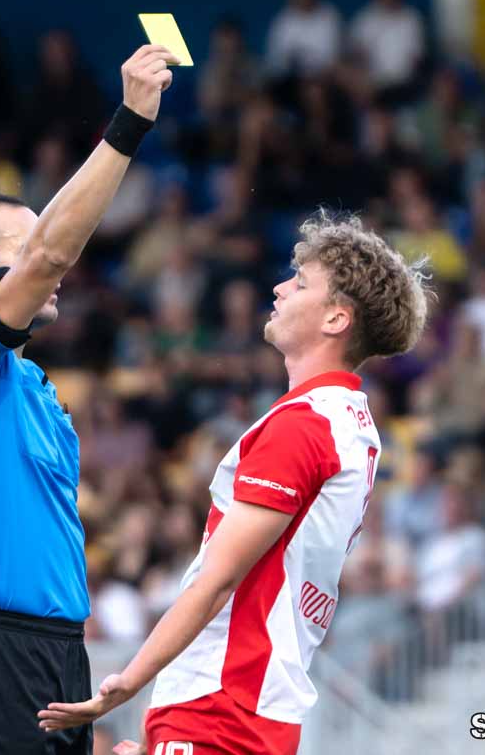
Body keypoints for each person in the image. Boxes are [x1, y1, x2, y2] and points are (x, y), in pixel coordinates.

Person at [38, 212, 429, 754]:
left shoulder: (305, 425)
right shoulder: (351, 423)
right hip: (247, 705)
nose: (280, 288)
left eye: (301, 283)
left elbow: (218, 580)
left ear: (336, 318)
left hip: (223, 705)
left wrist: (126, 684)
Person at [0, 44, 178, 755]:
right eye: (23, 247)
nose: (54, 259)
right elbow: (53, 254)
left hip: (56, 655)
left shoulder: (37, 389)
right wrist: (129, 124)